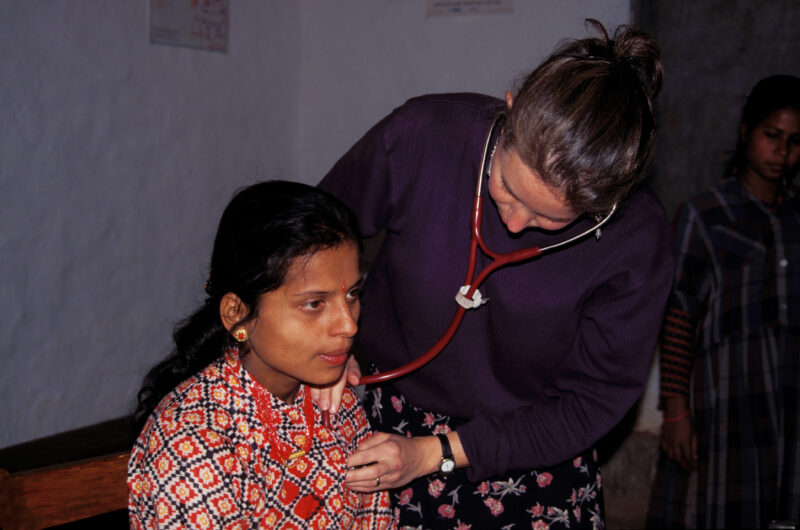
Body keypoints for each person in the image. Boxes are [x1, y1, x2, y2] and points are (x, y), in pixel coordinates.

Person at [317, 20, 674, 529]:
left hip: (532, 450)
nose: (513, 222)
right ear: (509, 110)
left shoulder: (636, 238)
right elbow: (313, 239)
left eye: (550, 219)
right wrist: (333, 345)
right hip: (387, 423)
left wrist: (433, 453)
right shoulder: (424, 136)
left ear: (606, 207)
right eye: (507, 186)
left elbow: (591, 402)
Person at [127, 181, 396, 529]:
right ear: (237, 314)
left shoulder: (333, 402)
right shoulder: (192, 445)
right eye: (314, 304)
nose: (348, 325)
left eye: (353, 295)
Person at [648, 75, 800, 528]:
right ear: (745, 132)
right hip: (728, 400)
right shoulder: (706, 215)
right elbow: (679, 314)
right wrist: (675, 411)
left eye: (795, 141)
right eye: (772, 136)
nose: (782, 151)